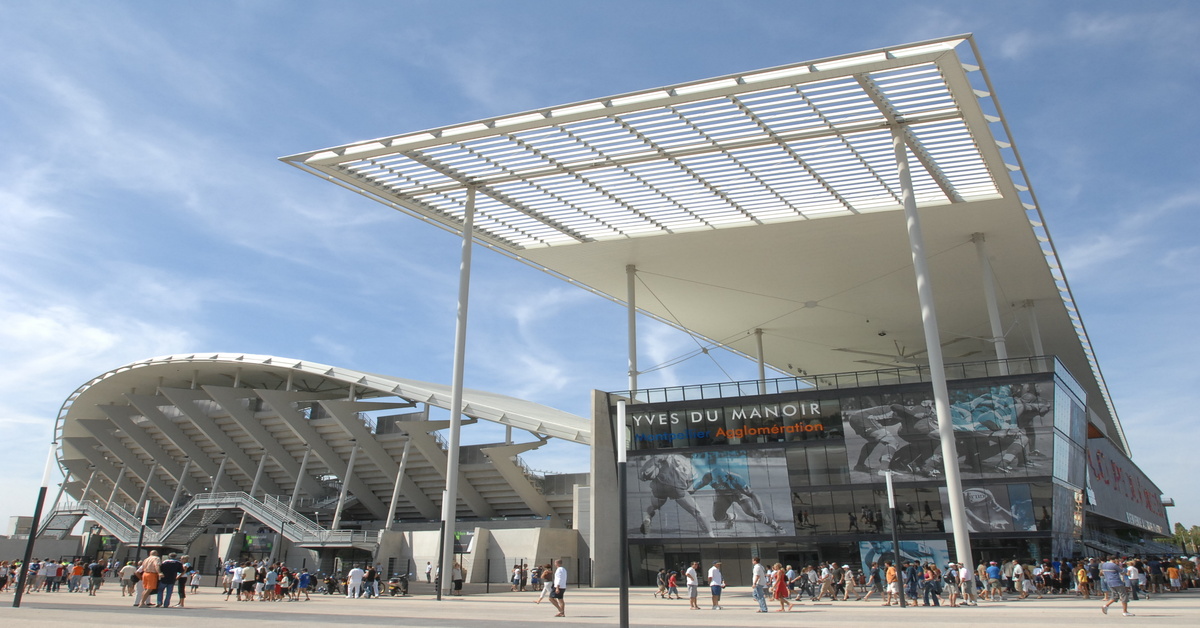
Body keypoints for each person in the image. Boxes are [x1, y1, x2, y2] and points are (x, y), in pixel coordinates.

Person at [637, 454, 712, 536]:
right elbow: (688, 485)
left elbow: (656, 458)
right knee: (697, 512)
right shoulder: (693, 468)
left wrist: (643, 469)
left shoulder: (672, 455)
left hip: (659, 485)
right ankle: (711, 536)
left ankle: (647, 519)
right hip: (676, 487)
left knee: (653, 506)